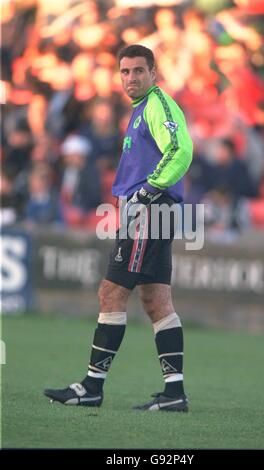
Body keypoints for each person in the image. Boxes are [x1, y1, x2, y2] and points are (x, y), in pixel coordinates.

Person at [44, 44, 193, 412]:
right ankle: (175, 394)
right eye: (124, 72)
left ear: (154, 73)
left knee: (111, 291)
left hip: (150, 211)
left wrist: (146, 191)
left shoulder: (158, 104)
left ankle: (92, 386)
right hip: (149, 211)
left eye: (138, 71)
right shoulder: (141, 109)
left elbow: (181, 150)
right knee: (156, 301)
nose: (131, 78)